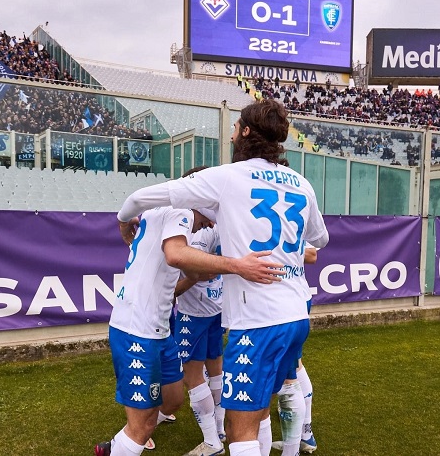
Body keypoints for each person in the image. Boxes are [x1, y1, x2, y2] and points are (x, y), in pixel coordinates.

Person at [116, 99, 329, 456]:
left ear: (245, 132)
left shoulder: (228, 176)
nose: (231, 135)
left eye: (234, 128)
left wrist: (125, 221)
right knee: (260, 408)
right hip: (296, 314)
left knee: (238, 426)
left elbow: (140, 197)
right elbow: (320, 240)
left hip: (259, 319)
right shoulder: (301, 183)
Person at [97, 204, 285, 456]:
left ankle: (125, 441)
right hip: (136, 331)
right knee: (144, 425)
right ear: (199, 201)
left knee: (173, 401)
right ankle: (125, 441)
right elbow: (177, 256)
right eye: (210, 214)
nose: (210, 224)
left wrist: (124, 224)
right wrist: (238, 266)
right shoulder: (180, 213)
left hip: (159, 330)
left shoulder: (163, 215)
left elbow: (173, 262)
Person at [175, 223, 226, 456]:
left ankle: (212, 440)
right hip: (216, 306)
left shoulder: (198, 231)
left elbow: (194, 264)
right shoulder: (221, 222)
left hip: (195, 312)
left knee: (192, 375)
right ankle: (220, 429)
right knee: (215, 369)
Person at [271, 246, 319, 455]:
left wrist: (276, 250)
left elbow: (312, 254)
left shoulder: (294, 213)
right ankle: (304, 435)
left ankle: (303, 437)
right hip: (284, 297)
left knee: (291, 371)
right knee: (294, 365)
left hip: (289, 299)